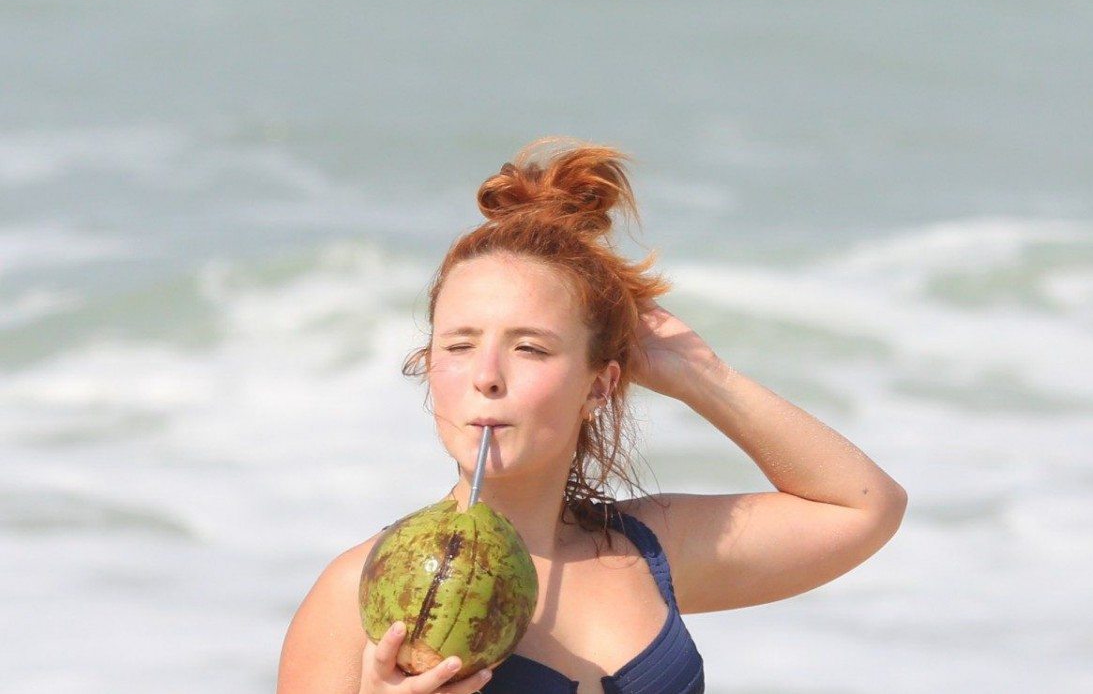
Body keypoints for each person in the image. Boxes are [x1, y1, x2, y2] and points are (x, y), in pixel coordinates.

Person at [276, 138, 907, 694]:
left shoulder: (648, 550)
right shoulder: (360, 591)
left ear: (599, 386)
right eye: (459, 344)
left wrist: (700, 376)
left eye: (530, 347)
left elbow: (863, 507)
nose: (486, 374)